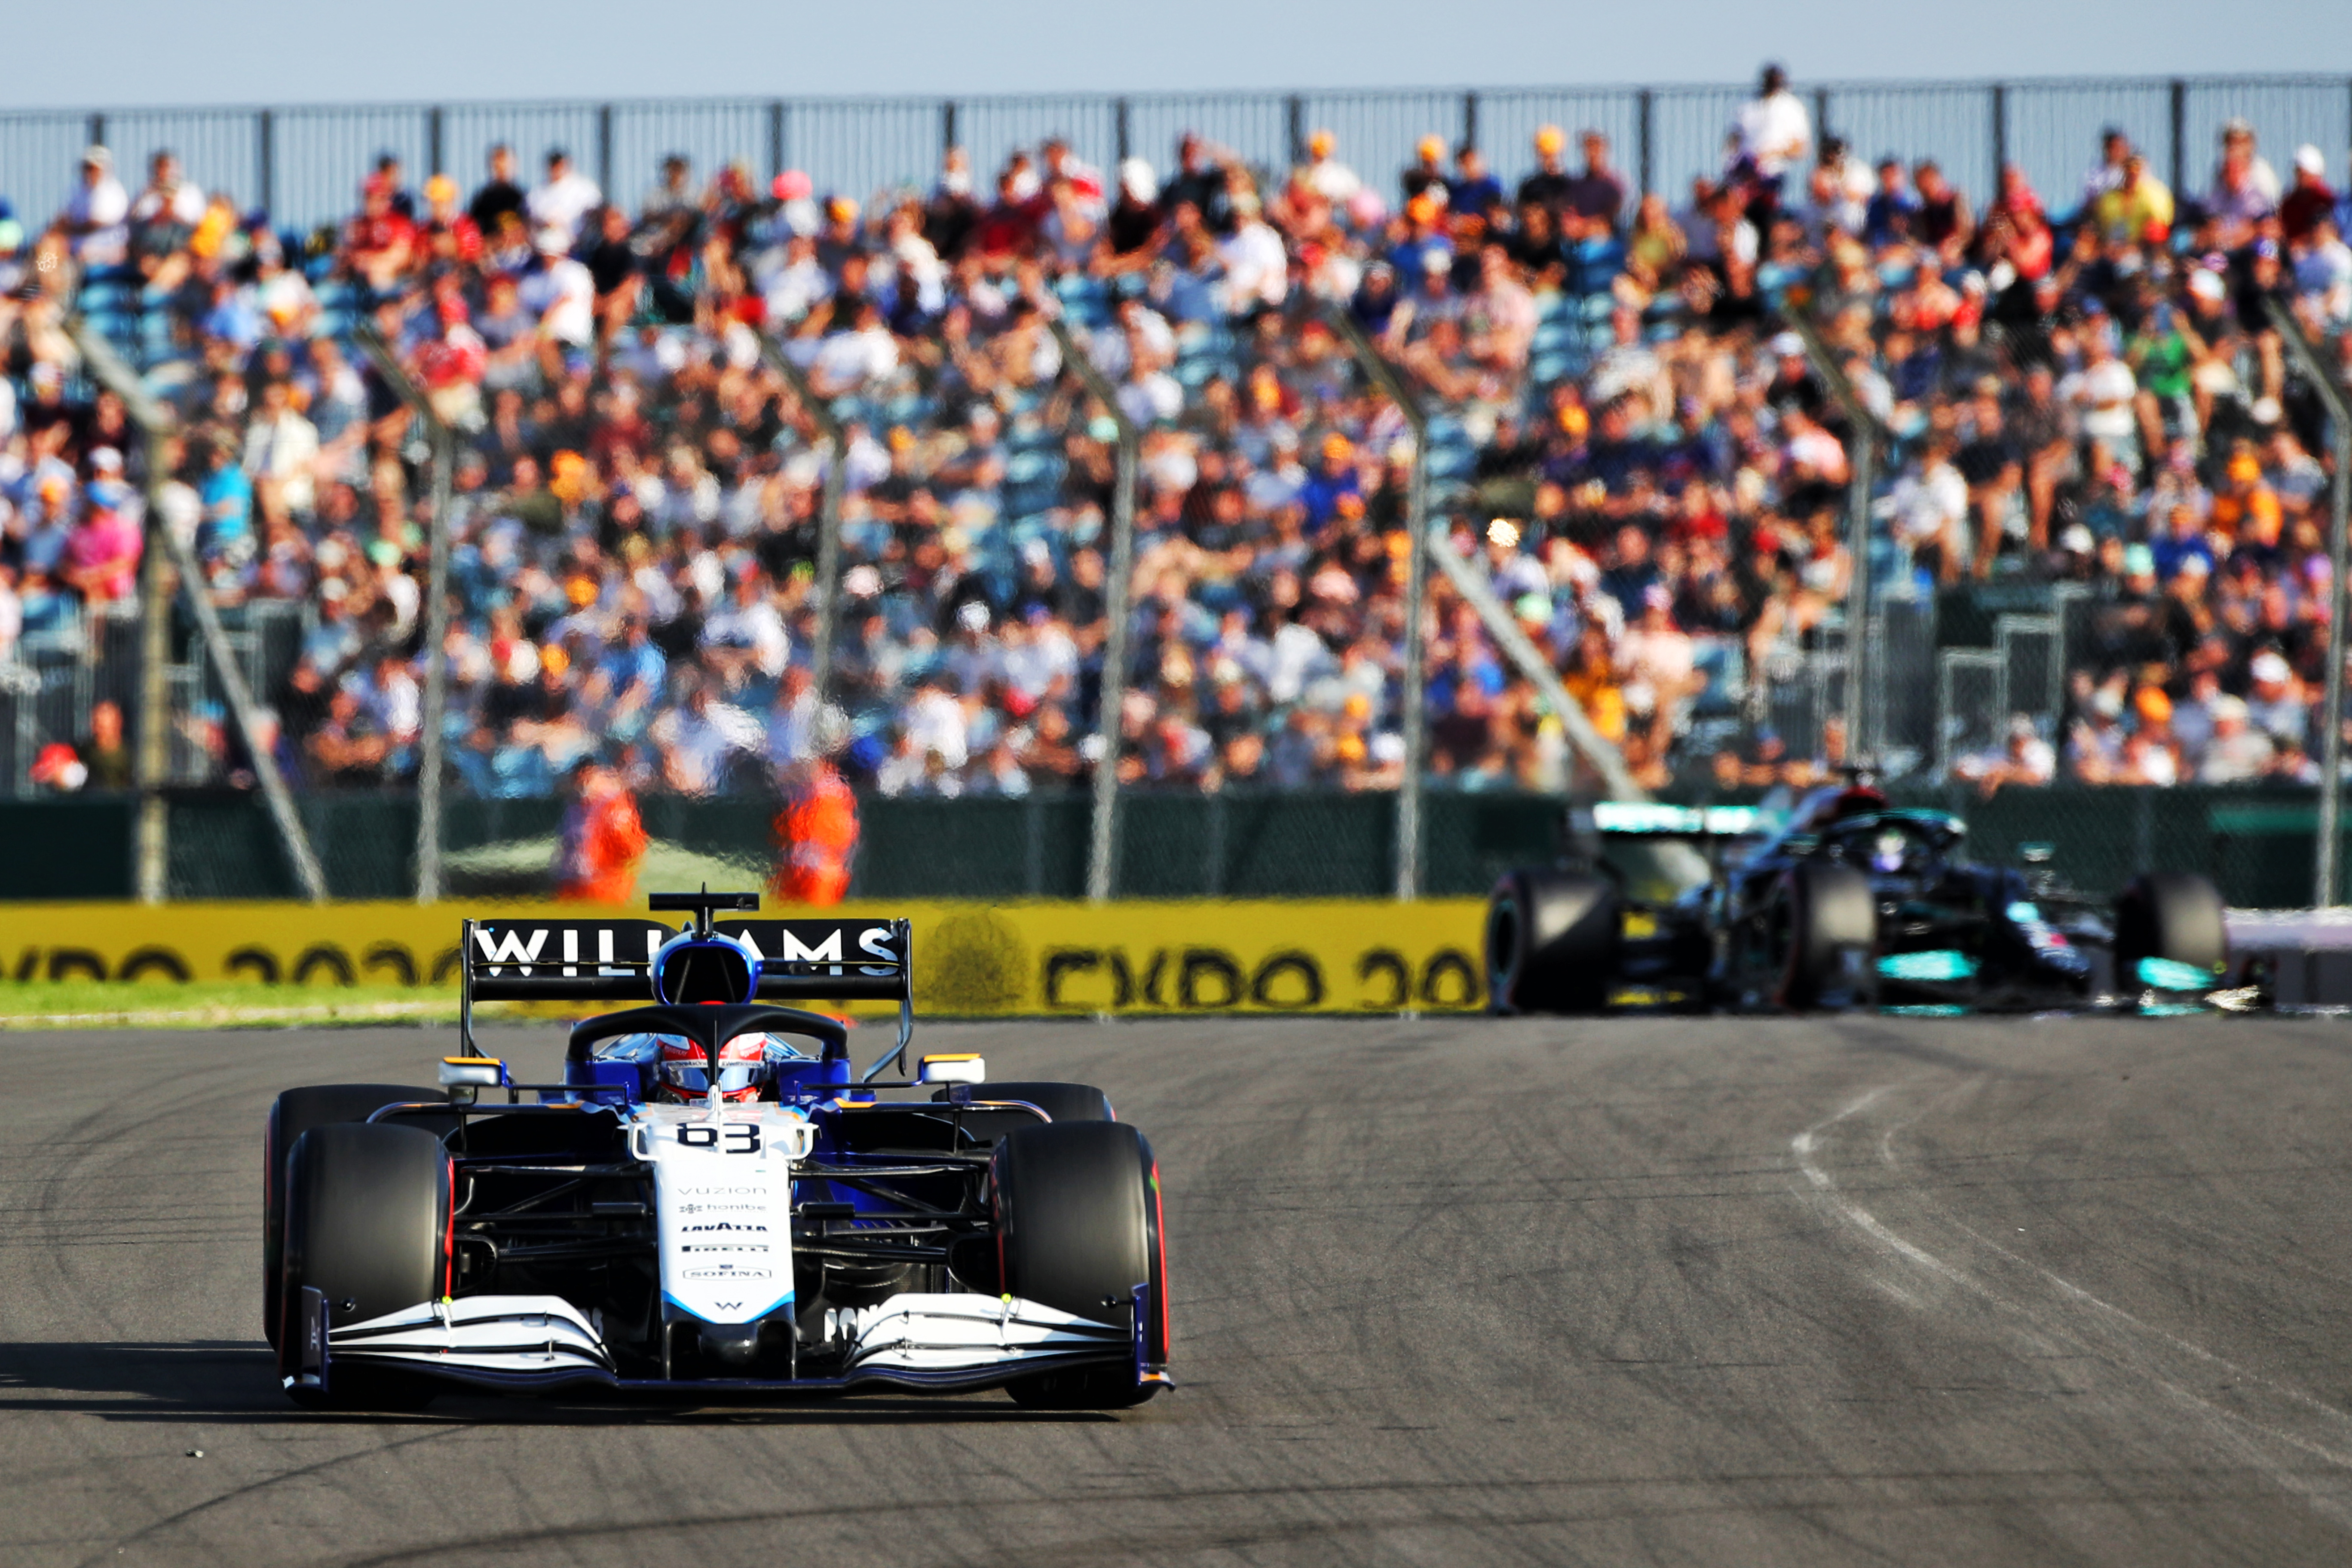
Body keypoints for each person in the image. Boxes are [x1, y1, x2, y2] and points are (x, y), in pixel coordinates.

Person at [553, 756, 648, 903]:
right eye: (580, 780)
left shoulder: (615, 808)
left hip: (605, 888)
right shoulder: (573, 807)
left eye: (588, 778)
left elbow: (632, 850)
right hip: (573, 885)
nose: (583, 785)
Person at [772, 751, 859, 906]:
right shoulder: (802, 795)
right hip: (802, 859)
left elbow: (840, 833)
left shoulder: (832, 796)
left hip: (822, 863)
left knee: (817, 915)